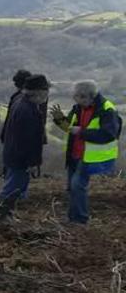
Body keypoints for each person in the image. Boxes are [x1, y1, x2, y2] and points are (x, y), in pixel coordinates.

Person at [52, 80, 120, 225]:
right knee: (72, 188)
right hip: (74, 155)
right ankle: (73, 219)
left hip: (89, 156)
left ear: (89, 96)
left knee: (77, 185)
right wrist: (59, 120)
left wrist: (82, 132)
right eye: (75, 97)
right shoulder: (78, 108)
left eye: (79, 97)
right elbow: (69, 128)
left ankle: (79, 220)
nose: (76, 101)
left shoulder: (107, 110)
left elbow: (109, 134)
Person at [0, 75, 49, 222]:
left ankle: (8, 213)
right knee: (14, 186)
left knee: (15, 184)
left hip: (13, 153)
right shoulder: (27, 111)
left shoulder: (21, 102)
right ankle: (2, 215)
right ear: (38, 92)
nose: (47, 96)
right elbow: (28, 140)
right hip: (20, 157)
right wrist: (32, 162)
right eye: (46, 92)